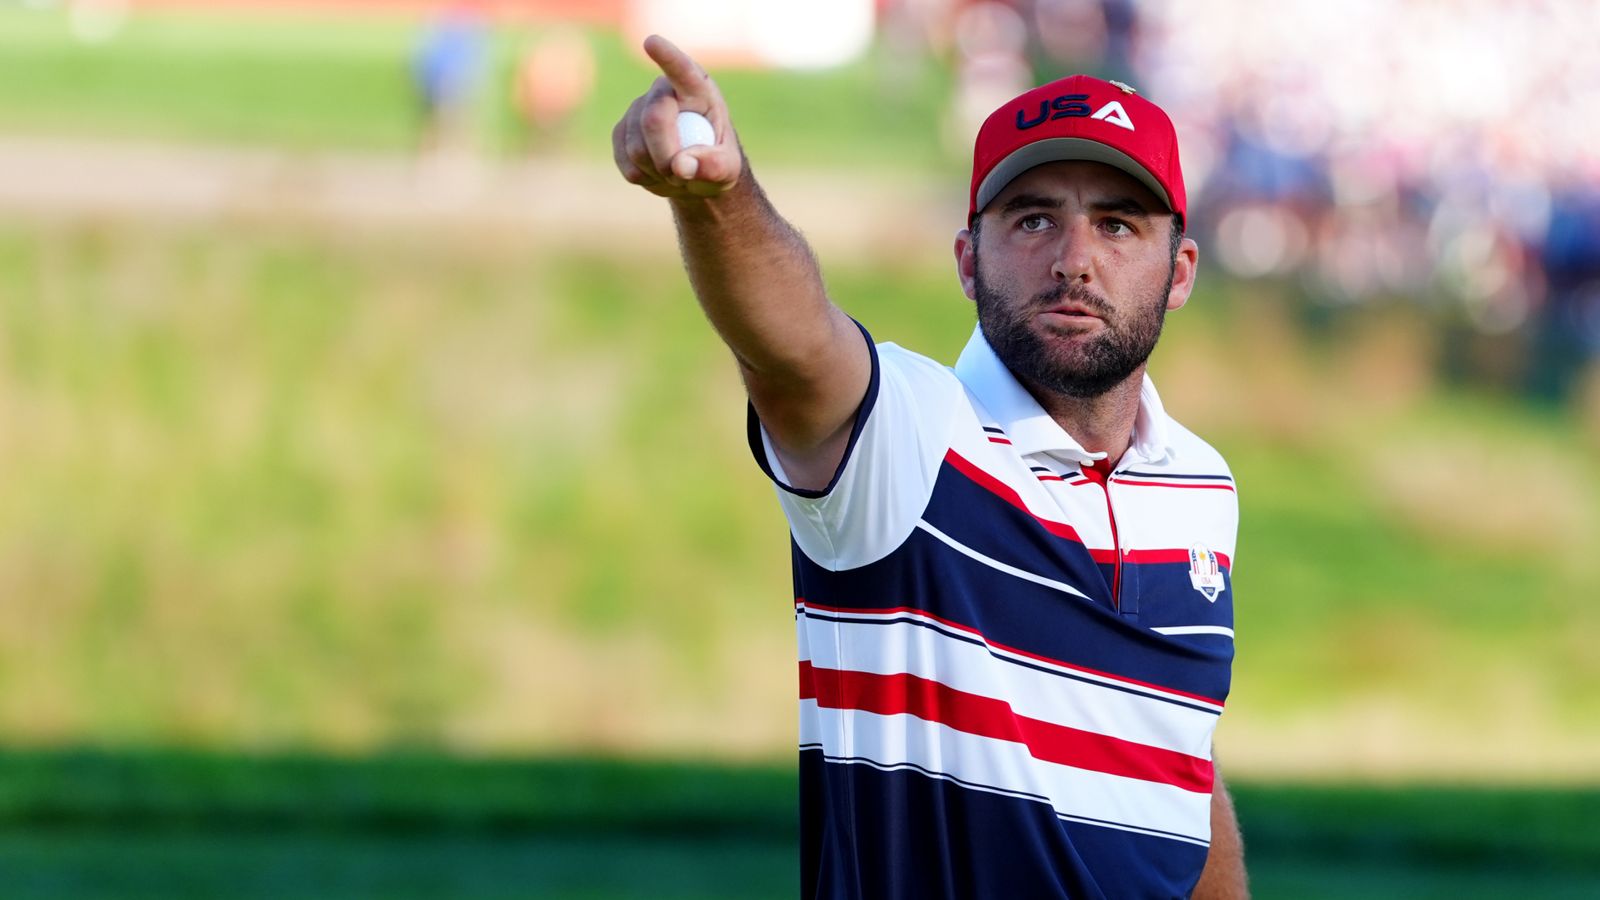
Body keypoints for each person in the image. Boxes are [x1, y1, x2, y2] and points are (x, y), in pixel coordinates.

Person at [613, 35, 1248, 899]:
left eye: (1117, 223)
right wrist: (720, 199)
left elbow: (1175, 750)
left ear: (1179, 272)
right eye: (1032, 219)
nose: (1074, 258)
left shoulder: (1202, 486)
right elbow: (797, 349)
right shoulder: (911, 438)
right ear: (967, 261)